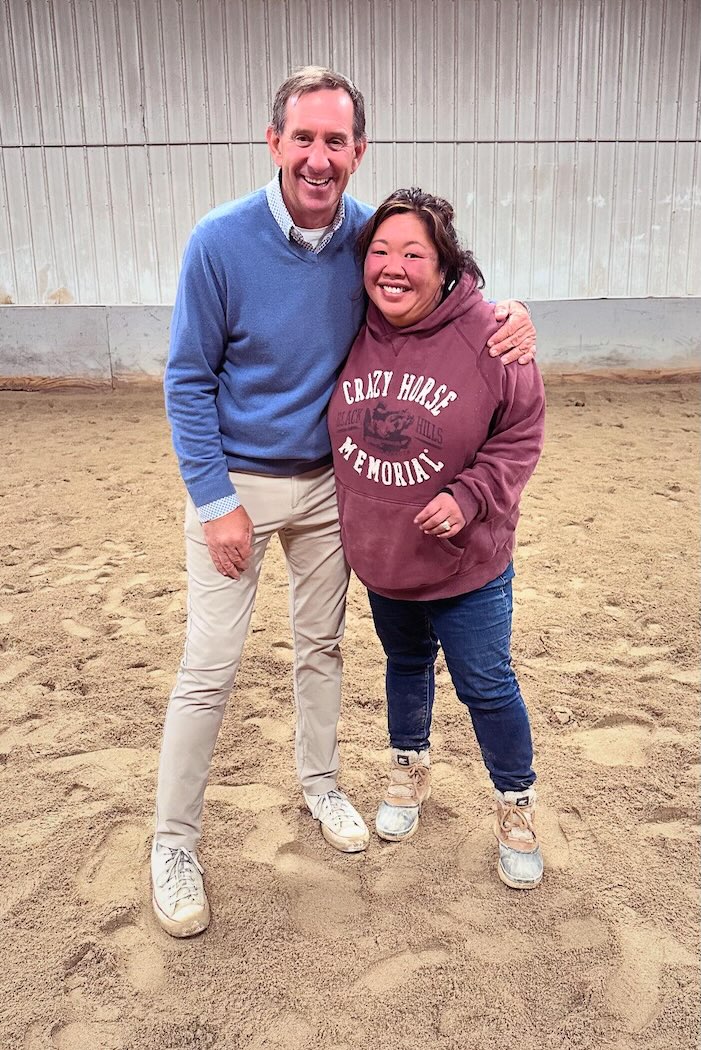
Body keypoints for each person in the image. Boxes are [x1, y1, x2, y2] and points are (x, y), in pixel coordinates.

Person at [153, 67, 538, 938]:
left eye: (335, 141)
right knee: (209, 667)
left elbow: (440, 284)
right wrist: (214, 500)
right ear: (274, 142)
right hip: (238, 486)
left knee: (320, 646)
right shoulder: (218, 241)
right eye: (303, 139)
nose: (318, 158)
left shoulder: (369, 238)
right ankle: (173, 843)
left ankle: (321, 785)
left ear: (358, 151)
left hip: (331, 485)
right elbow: (187, 379)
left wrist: (513, 313)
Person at [328, 188, 546, 889]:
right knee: (405, 663)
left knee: (486, 684)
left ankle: (515, 803)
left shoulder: (492, 336)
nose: (393, 267)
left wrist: (469, 496)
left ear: (446, 265)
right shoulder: (350, 323)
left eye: (413, 253)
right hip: (385, 556)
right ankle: (409, 766)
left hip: (465, 566)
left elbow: (520, 435)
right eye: (379, 251)